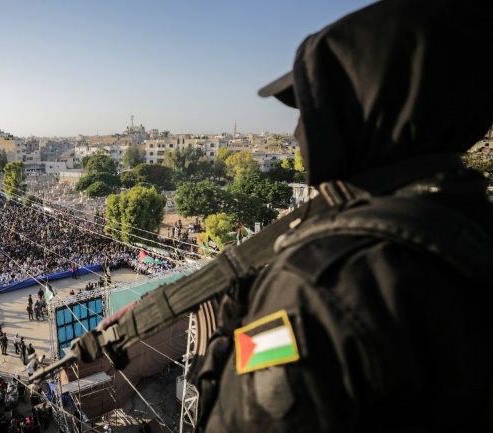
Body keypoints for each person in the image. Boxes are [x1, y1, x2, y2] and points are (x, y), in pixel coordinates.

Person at [194, 1, 493, 432]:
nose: (299, 132)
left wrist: (232, 330)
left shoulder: (314, 282)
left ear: (356, 116)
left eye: (312, 110)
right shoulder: (470, 228)